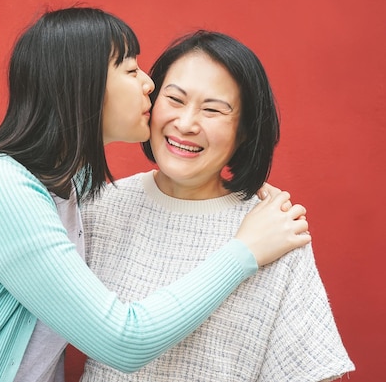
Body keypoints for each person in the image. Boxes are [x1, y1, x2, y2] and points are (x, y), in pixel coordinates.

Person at [0, 9, 311, 382]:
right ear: (81, 85)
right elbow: (123, 342)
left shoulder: (70, 189)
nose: (149, 84)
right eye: (129, 69)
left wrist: (240, 187)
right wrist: (244, 250)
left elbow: (190, 185)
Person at [80, 30, 354, 382]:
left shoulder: (274, 228)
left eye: (212, 110)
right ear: (150, 101)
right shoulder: (99, 209)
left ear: (244, 131)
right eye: (175, 99)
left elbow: (310, 370)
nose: (186, 124)